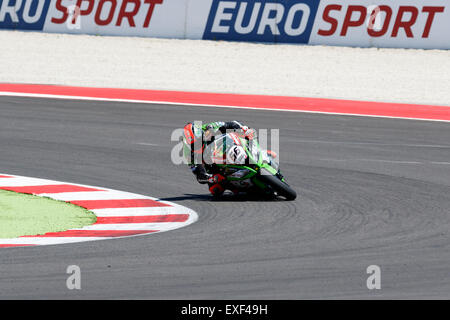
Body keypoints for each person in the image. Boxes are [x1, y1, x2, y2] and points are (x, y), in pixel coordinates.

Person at [182, 121, 255, 196]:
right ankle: (242, 188)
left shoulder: (208, 128)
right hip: (215, 169)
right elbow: (200, 177)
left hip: (225, 148)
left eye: (199, 141)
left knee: (248, 134)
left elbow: (230, 124)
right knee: (215, 190)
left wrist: (241, 128)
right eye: (195, 145)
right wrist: (211, 178)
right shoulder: (190, 156)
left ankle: (255, 153)